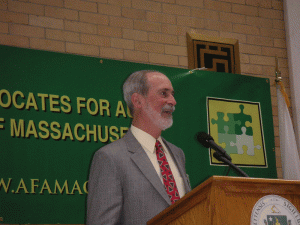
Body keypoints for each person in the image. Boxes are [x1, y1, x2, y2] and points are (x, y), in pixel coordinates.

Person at [86, 70, 191, 225]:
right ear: (137, 101)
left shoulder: (177, 154)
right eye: (164, 93)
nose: (173, 101)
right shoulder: (110, 157)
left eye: (172, 94)